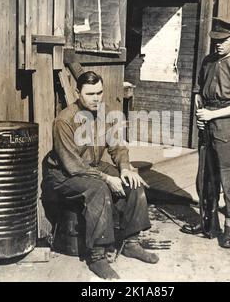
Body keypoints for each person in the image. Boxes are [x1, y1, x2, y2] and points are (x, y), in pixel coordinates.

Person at [42, 71, 159, 279]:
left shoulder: (106, 115)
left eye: (99, 92)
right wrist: (106, 178)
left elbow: (118, 148)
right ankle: (98, 256)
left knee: (133, 182)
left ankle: (132, 242)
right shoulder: (64, 121)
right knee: (99, 189)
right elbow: (73, 166)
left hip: (91, 167)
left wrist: (124, 167)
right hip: (63, 175)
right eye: (90, 94)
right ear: (78, 93)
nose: (96, 98)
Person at [182, 17, 230, 249]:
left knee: (229, 178)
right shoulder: (208, 61)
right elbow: (197, 91)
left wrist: (212, 115)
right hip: (207, 125)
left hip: (229, 128)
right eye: (216, 40)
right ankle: (208, 222)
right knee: (205, 177)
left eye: (223, 40)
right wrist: (200, 113)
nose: (218, 44)